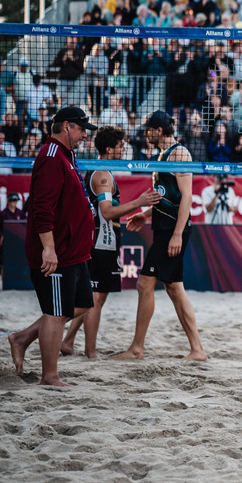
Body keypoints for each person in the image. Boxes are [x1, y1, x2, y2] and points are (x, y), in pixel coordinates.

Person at [7, 106, 97, 386]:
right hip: (57, 252)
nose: (85, 135)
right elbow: (42, 207)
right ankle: (50, 376)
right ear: (67, 126)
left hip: (74, 250)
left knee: (81, 305)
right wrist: (49, 248)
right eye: (82, 129)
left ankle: (22, 337)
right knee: (56, 313)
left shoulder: (66, 156)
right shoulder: (50, 157)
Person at [114, 111, 208, 361]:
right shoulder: (163, 155)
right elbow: (167, 198)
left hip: (172, 231)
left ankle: (137, 349)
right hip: (163, 228)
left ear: (159, 130)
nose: (146, 134)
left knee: (145, 284)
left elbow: (187, 196)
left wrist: (177, 234)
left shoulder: (180, 153)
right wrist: (146, 214)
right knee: (174, 288)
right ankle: (197, 349)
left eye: (149, 130)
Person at [60, 126, 161, 359]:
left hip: (103, 239)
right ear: (108, 149)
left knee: (93, 295)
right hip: (101, 240)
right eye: (120, 146)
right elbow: (106, 212)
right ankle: (91, 353)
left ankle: (68, 341)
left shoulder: (102, 170)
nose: (124, 149)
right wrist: (140, 202)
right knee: (97, 297)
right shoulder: (102, 174)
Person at [0, 192, 27, 273]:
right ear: (8, 201)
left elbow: (25, 226)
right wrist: (1, 235)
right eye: (12, 201)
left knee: (18, 261)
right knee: (4, 263)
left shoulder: (20, 213)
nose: (13, 203)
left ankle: (17, 282)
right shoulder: (3, 214)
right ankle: (4, 284)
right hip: (7, 242)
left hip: (18, 242)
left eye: (15, 201)